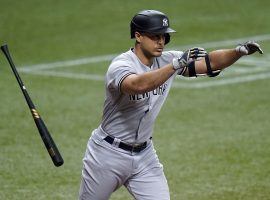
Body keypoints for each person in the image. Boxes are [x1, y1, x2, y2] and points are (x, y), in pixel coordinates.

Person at [78, 10, 263, 200]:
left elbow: (210, 62)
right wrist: (175, 65)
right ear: (138, 36)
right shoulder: (121, 65)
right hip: (107, 154)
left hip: (144, 155)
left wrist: (238, 52)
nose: (160, 41)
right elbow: (137, 85)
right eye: (155, 36)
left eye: (164, 36)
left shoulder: (168, 60)